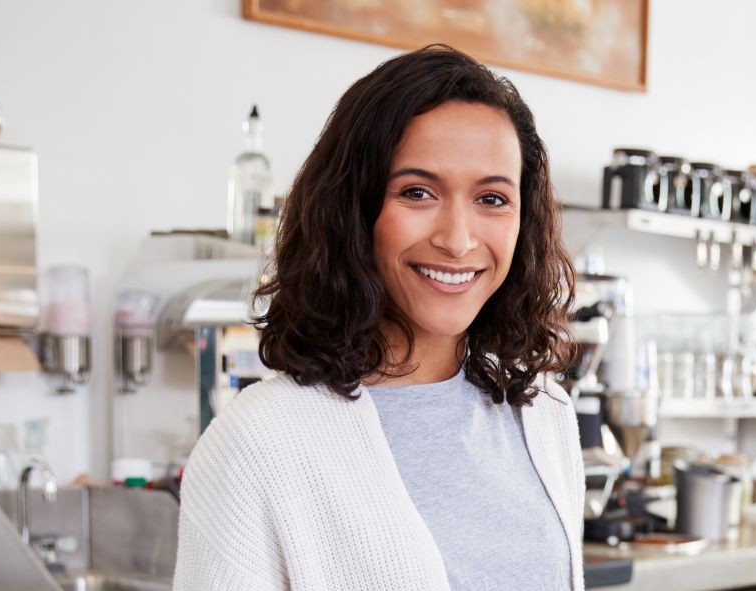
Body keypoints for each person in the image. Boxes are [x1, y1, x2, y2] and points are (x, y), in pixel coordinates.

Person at [174, 45, 583, 590]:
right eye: (417, 192)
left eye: (492, 198)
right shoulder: (258, 444)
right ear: (354, 209)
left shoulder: (545, 413)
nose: (458, 240)